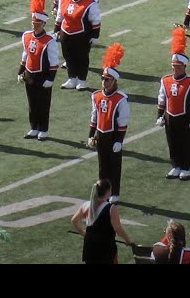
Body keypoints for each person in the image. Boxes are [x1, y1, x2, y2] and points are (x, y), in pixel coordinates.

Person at [157, 27, 190, 180]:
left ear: (184, 67)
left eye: (178, 67)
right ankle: (175, 165)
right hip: (170, 117)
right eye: (173, 66)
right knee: (172, 142)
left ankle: (185, 167)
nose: (175, 69)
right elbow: (162, 98)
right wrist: (160, 115)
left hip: (185, 118)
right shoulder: (166, 80)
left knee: (185, 143)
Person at [87, 45, 129, 201]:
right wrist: (91, 135)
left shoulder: (120, 99)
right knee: (102, 166)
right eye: (103, 79)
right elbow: (94, 116)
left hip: (113, 136)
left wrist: (119, 140)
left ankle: (115, 193)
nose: (104, 82)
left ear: (114, 81)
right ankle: (103, 192)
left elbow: (123, 121)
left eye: (107, 79)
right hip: (101, 135)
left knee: (114, 166)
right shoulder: (96, 95)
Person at [19, 0, 59, 140]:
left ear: (43, 24)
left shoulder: (49, 40)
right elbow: (25, 54)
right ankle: (34, 127)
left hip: (42, 76)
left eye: (37, 23)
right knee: (32, 103)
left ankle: (44, 129)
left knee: (43, 104)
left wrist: (50, 78)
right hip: (29, 75)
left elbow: (54, 61)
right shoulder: (27, 36)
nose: (34, 25)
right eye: (33, 22)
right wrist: (20, 71)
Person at [71, 179, 136, 264]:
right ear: (108, 191)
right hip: (106, 247)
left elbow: (74, 221)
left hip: (89, 246)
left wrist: (83, 233)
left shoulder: (86, 205)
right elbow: (118, 228)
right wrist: (128, 240)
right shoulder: (111, 208)